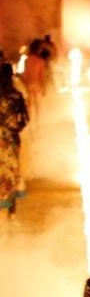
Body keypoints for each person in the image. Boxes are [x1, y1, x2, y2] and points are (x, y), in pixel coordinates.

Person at [0, 63, 29, 221]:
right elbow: (25, 119)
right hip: (11, 139)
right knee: (13, 172)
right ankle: (12, 211)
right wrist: (14, 128)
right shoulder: (16, 95)